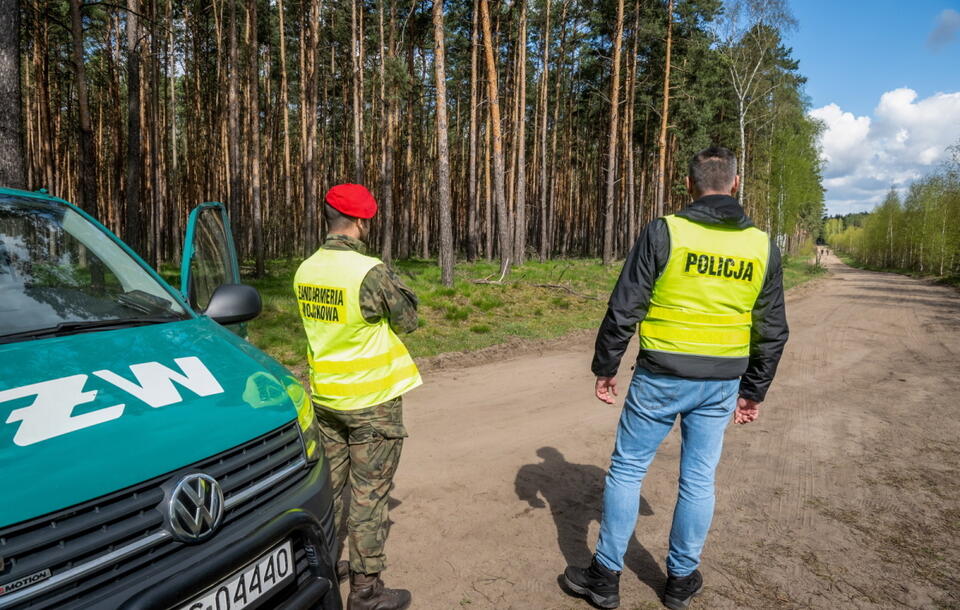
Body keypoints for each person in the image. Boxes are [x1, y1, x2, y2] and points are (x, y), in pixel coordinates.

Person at [562, 147, 789, 610]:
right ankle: (681, 581)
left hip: (661, 376)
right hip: (722, 380)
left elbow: (625, 307)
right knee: (699, 480)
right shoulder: (761, 245)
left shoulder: (666, 231)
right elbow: (772, 327)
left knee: (627, 469)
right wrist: (753, 390)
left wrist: (606, 367)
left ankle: (605, 578)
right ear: (736, 184)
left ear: (688, 184)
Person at [294, 183, 421, 610]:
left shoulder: (305, 270)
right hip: (371, 402)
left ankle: (324, 565)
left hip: (326, 398)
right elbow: (408, 321)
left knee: (330, 489)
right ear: (361, 221)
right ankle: (366, 592)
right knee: (369, 495)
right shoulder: (370, 271)